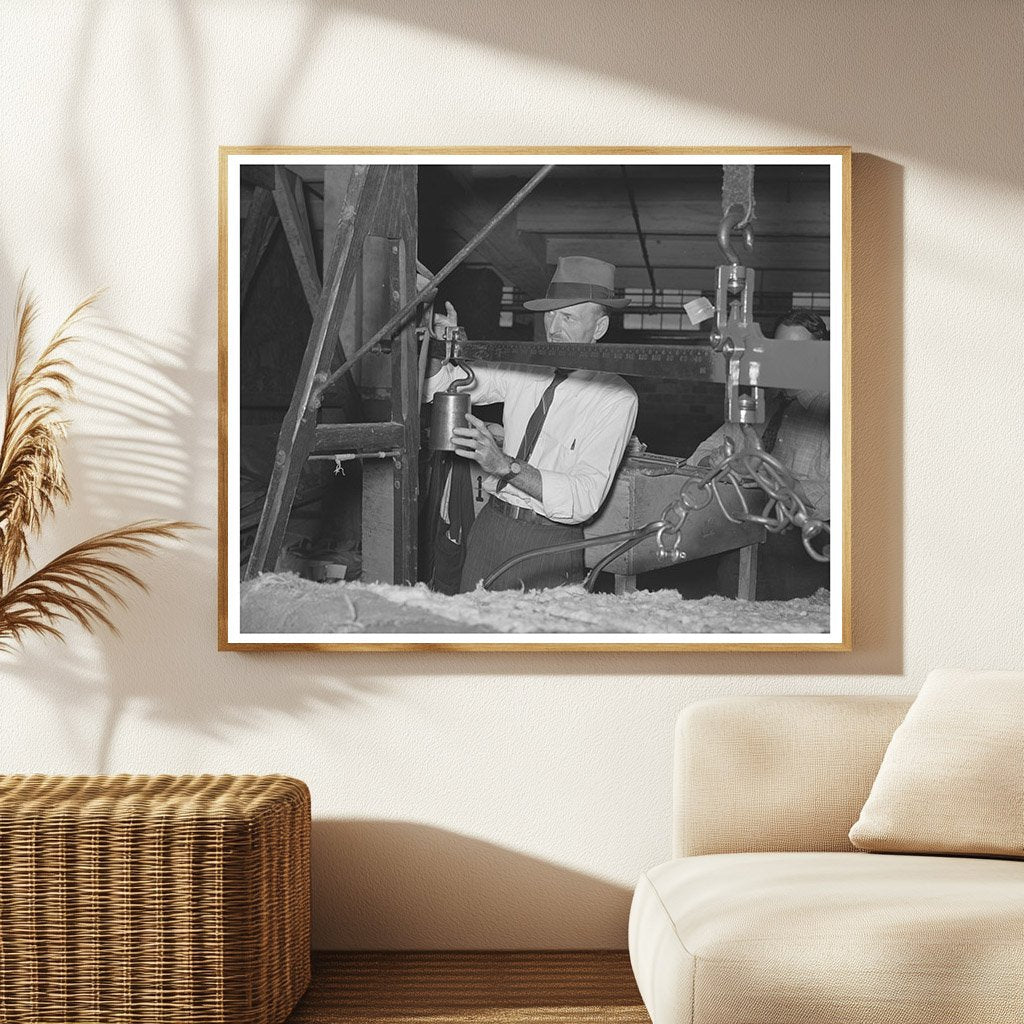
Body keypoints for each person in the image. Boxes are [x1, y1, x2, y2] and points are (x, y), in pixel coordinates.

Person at [423, 256, 638, 592]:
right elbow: (440, 387)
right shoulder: (525, 368)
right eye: (550, 315)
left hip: (549, 545)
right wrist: (438, 348)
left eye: (567, 317)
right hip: (489, 528)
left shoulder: (616, 398)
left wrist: (503, 465)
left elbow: (583, 498)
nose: (553, 328)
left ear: (599, 328)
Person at [687, 308, 830, 598]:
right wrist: (712, 461)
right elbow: (705, 450)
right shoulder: (760, 403)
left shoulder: (837, 410)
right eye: (779, 350)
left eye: (798, 352)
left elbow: (853, 494)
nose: (786, 360)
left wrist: (789, 486)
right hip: (745, 538)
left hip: (804, 549)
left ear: (822, 353)